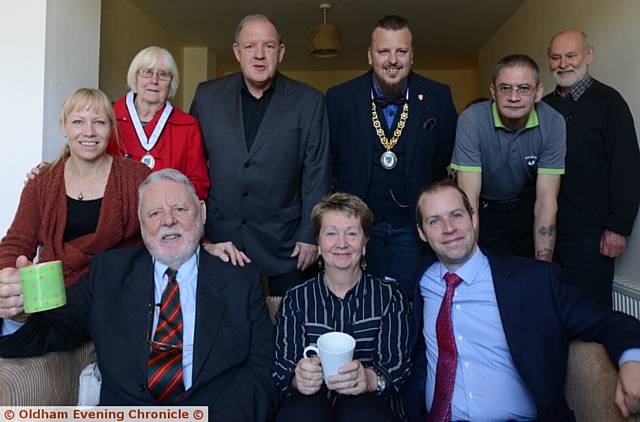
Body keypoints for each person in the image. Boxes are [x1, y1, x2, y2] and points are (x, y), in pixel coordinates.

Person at [0, 169, 277, 420]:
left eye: (180, 208)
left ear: (202, 213)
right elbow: (53, 328)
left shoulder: (241, 279)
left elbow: (262, 369)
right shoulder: (108, 274)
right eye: (154, 213)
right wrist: (20, 314)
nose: (168, 220)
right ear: (141, 223)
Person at [402, 179, 640, 421]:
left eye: (456, 215)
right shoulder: (423, 281)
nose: (449, 228)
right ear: (422, 233)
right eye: (434, 221)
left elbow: (608, 321)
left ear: (473, 219)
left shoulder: (534, 281)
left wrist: (632, 360)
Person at [190, 14, 331, 296]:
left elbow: (317, 172)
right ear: (236, 51)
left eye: (268, 46)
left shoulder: (309, 101)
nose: (259, 55)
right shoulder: (207, 97)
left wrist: (310, 234)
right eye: (250, 46)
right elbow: (192, 168)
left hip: (287, 244)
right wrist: (199, 236)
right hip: (221, 240)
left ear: (280, 52)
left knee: (291, 330)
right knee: (226, 332)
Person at [326, 15, 457, 298]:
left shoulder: (437, 96)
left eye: (401, 51)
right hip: (357, 225)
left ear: (412, 56)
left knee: (409, 301)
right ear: (370, 56)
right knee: (357, 299)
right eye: (384, 51)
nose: (393, 60)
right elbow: (331, 161)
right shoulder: (338, 98)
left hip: (412, 225)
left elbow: (442, 160)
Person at [273, 192, 411, 421]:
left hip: (371, 406)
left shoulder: (390, 297)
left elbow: (397, 365)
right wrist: (299, 377)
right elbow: (282, 365)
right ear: (318, 242)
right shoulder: (296, 299)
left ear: (365, 243)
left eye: (352, 233)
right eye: (331, 234)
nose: (341, 244)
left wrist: (369, 379)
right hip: (310, 404)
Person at [0, 88, 150, 286]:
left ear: (112, 128)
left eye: (99, 122)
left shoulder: (138, 177)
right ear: (63, 127)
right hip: (54, 297)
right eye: (78, 121)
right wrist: (8, 276)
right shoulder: (42, 181)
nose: (89, 131)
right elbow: (17, 243)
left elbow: (162, 235)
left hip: (119, 295)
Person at [542, 29, 640, 308]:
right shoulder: (542, 107)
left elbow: (627, 167)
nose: (563, 64)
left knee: (591, 315)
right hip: (546, 233)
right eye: (556, 57)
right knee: (550, 310)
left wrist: (618, 227)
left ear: (589, 55)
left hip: (591, 237)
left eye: (571, 55)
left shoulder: (610, 102)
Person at [451, 54, 566, 261]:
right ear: (493, 91)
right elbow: (469, 199)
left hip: (526, 207)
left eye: (524, 88)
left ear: (538, 92)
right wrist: (469, 266)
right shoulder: (471, 120)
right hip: (485, 211)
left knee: (533, 277)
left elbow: (546, 201)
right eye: (505, 88)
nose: (514, 97)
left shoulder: (553, 123)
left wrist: (544, 266)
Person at [107, 46, 210, 200]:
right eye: (147, 72)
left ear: (171, 83)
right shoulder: (107, 118)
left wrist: (167, 198)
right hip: (117, 214)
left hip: (167, 217)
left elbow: (199, 184)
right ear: (135, 76)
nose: (154, 80)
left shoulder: (188, 126)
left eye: (163, 75)